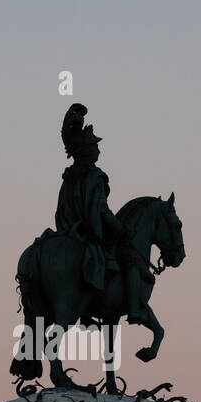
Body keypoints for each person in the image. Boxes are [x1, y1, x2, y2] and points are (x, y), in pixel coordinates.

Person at [54, 104, 143, 322]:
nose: (99, 151)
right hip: (90, 232)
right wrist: (120, 227)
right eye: (95, 146)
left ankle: (85, 312)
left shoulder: (69, 177)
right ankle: (134, 309)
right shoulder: (94, 177)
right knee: (129, 255)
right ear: (87, 150)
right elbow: (101, 211)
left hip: (68, 230)